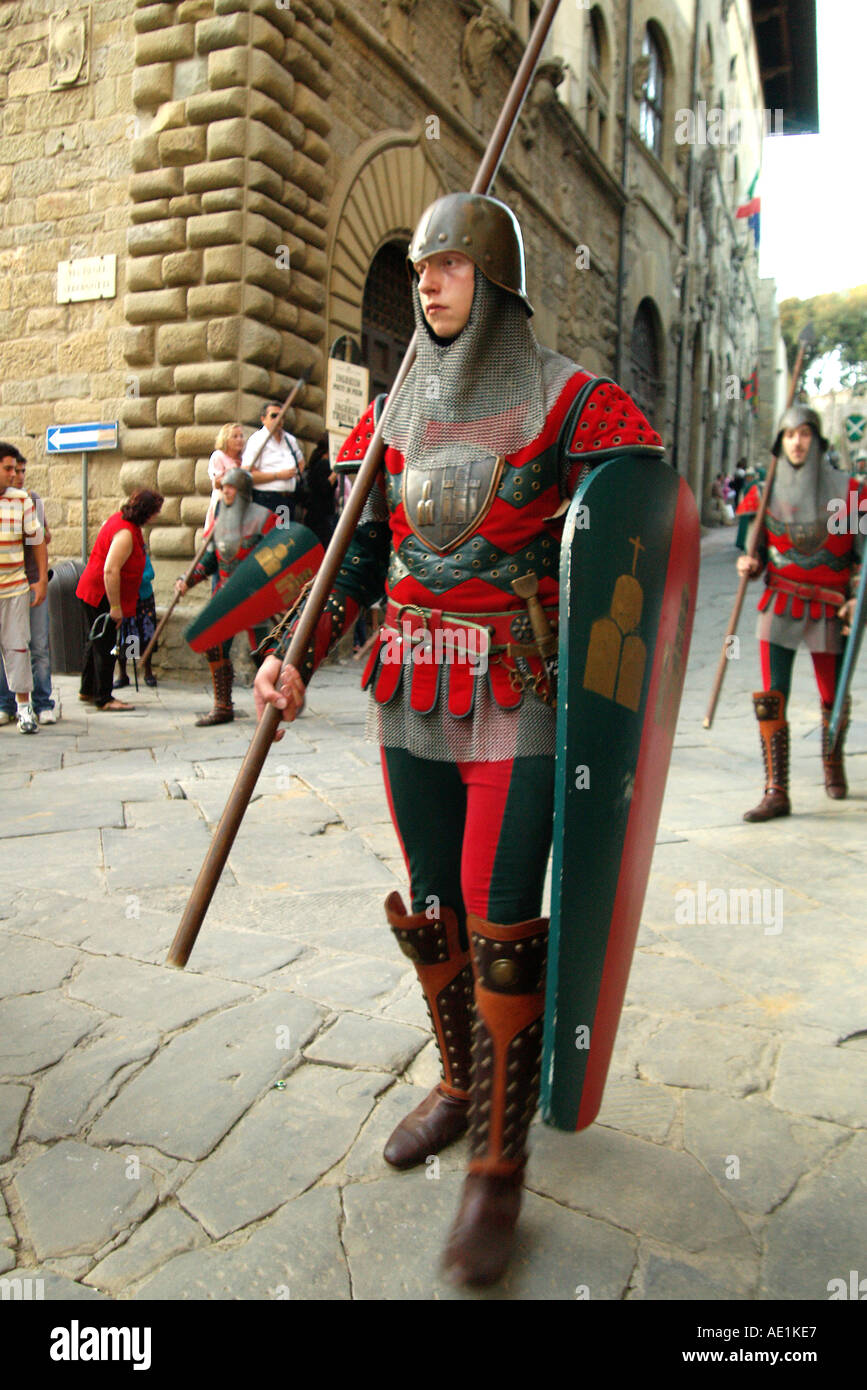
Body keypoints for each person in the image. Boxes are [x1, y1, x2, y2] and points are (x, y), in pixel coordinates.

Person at [253, 193, 664, 1286]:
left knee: (501, 918)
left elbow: (638, 502)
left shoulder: (569, 399)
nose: (427, 282)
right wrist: (298, 648)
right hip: (407, 691)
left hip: (515, 694)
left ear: (498, 285)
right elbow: (353, 550)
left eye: (450, 267)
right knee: (431, 900)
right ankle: (456, 1081)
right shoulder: (392, 416)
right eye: (421, 267)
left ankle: (498, 1158)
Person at [736, 404, 866, 820]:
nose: (797, 442)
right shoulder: (763, 492)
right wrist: (750, 563)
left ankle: (832, 761)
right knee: (773, 696)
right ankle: (777, 789)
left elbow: (862, 558)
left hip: (831, 609)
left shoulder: (849, 494)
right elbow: (754, 552)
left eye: (805, 433)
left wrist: (855, 596)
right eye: (789, 435)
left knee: (832, 695)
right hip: (780, 603)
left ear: (818, 440)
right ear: (780, 442)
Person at [175, 467, 277, 725]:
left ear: (242, 490)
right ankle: (223, 706)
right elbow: (209, 560)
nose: (225, 491)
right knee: (214, 644)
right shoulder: (220, 520)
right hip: (225, 595)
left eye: (230, 487)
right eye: (223, 488)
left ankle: (276, 699)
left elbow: (278, 555)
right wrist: (187, 580)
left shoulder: (265, 518)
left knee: (263, 650)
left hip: (254, 596)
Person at [76, 488, 164, 711]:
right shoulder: (125, 533)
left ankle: (87, 690)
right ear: (148, 512)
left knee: (95, 641)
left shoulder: (119, 520)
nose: (158, 515)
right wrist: (115, 607)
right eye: (157, 511)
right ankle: (104, 698)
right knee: (105, 646)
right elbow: (110, 570)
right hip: (101, 593)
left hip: (93, 589)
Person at [0, 452, 56, 724]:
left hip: (22, 584)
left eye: (20, 470)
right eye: (11, 469)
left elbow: (41, 538)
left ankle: (38, 704)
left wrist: (42, 579)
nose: (17, 475)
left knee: (31, 646)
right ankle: (5, 704)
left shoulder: (28, 500)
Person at [241, 402, 303, 519]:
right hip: (267, 499)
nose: (278, 419)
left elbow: (301, 461)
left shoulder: (289, 440)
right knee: (270, 536)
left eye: (282, 416)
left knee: (284, 535)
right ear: (263, 419)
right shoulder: (257, 440)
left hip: (288, 499)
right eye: (274, 416)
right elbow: (247, 474)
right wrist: (278, 476)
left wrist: (295, 475)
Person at [113, 549, 158, 690]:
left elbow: (150, 574)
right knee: (125, 637)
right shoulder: (118, 555)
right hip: (126, 599)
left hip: (144, 600)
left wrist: (134, 578)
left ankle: (148, 672)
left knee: (147, 636)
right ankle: (123, 674)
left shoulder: (142, 555)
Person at [204, 422, 245, 536]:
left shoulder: (244, 458)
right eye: (235, 436)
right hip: (224, 501)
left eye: (241, 436)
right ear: (226, 439)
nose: (239, 439)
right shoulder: (218, 456)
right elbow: (217, 482)